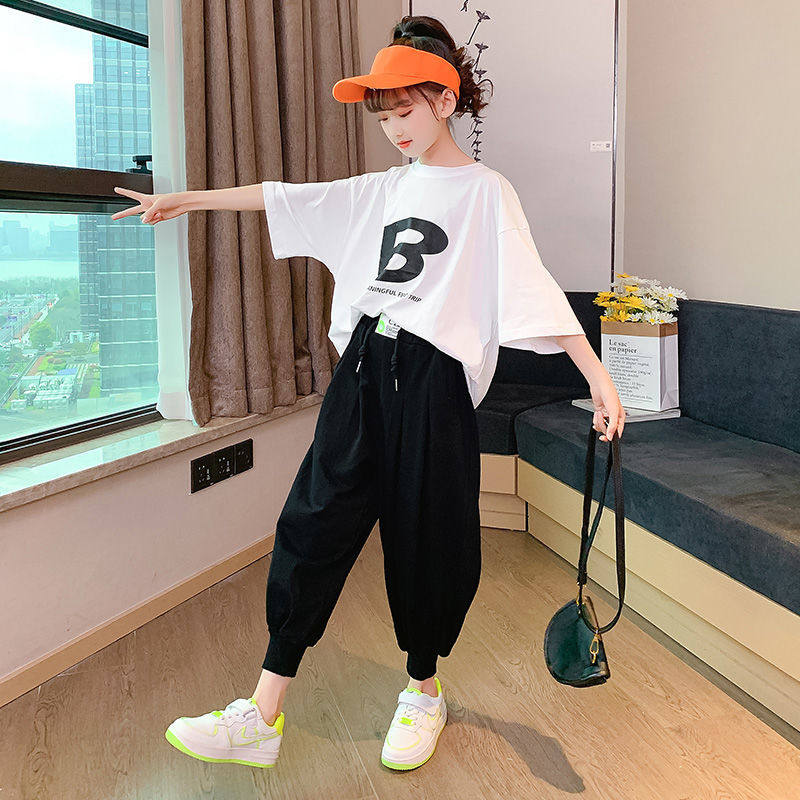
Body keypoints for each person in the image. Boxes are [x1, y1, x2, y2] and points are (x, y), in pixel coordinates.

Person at [113, 14, 626, 772]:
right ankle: (261, 713)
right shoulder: (382, 189)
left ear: (445, 101)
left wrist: (598, 376)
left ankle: (423, 689)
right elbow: (285, 197)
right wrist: (186, 200)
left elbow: (532, 287)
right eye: (384, 117)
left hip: (433, 380)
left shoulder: (486, 192)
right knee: (313, 519)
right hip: (362, 369)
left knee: (428, 536)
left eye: (405, 111)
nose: (394, 130)